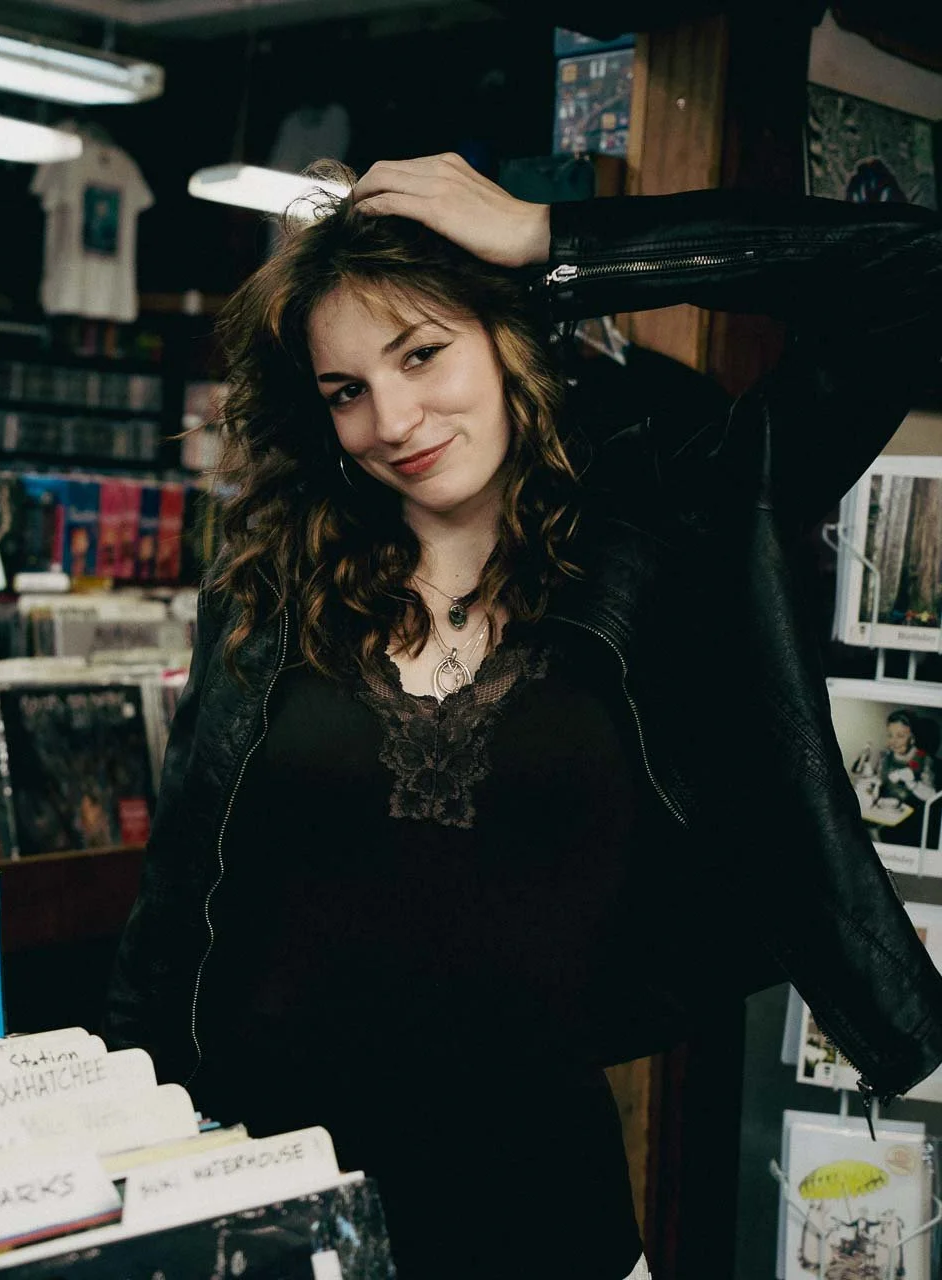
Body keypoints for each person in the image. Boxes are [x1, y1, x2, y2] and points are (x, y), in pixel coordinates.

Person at [104, 153, 942, 1280]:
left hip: (538, 1210)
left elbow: (910, 271)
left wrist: (555, 236)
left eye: (422, 352)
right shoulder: (271, 581)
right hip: (269, 1203)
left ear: (508, 337)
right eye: (345, 388)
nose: (391, 418)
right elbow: (180, 898)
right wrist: (121, 1142)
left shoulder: (667, 533)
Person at [861, 709, 938, 847]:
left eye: (900, 736)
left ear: (913, 738)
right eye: (890, 735)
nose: (893, 741)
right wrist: (871, 787)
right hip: (883, 813)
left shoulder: (923, 759)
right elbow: (878, 783)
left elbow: (931, 796)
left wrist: (912, 782)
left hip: (909, 822)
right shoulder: (885, 756)